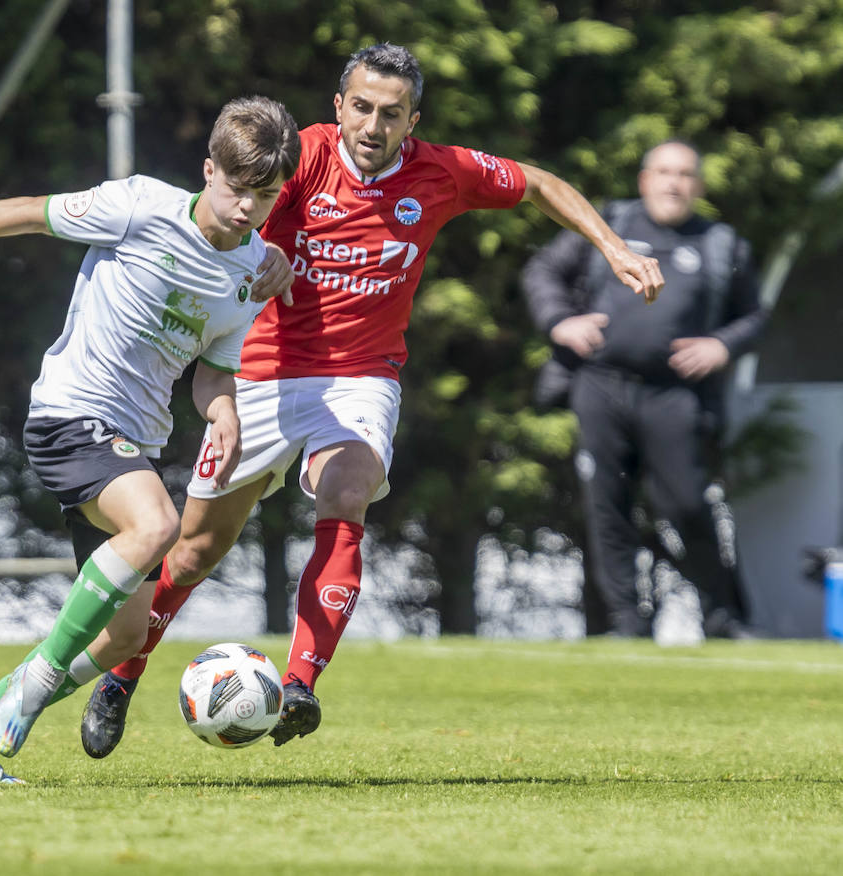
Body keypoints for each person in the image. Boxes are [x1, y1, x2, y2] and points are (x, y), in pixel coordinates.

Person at [75, 41, 666, 758]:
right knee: (194, 550)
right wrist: (262, 256)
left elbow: (538, 184)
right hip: (260, 371)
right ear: (339, 106)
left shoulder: (441, 171)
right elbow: (234, 216)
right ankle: (121, 677)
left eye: (391, 113)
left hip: (361, 377)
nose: (373, 125)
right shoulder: (305, 157)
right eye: (361, 107)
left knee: (347, 490)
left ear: (413, 118)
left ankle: (298, 685)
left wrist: (614, 249)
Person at [0, 95, 301, 782]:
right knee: (158, 522)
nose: (248, 208)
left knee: (127, 633)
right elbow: (39, 212)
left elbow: (212, 378)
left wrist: (225, 414)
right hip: (71, 414)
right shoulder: (140, 205)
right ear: (208, 169)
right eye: (239, 189)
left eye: (266, 196)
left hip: (134, 441)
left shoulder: (251, 274)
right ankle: (33, 685)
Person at [522, 140, 766, 639]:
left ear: (697, 186)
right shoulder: (610, 225)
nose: (673, 183)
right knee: (607, 505)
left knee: (686, 505)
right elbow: (542, 271)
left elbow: (756, 315)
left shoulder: (720, 243)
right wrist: (560, 322)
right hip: (600, 384)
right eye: (663, 172)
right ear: (644, 179)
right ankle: (626, 622)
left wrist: (722, 345)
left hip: (675, 395)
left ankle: (724, 617)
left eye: (684, 174)